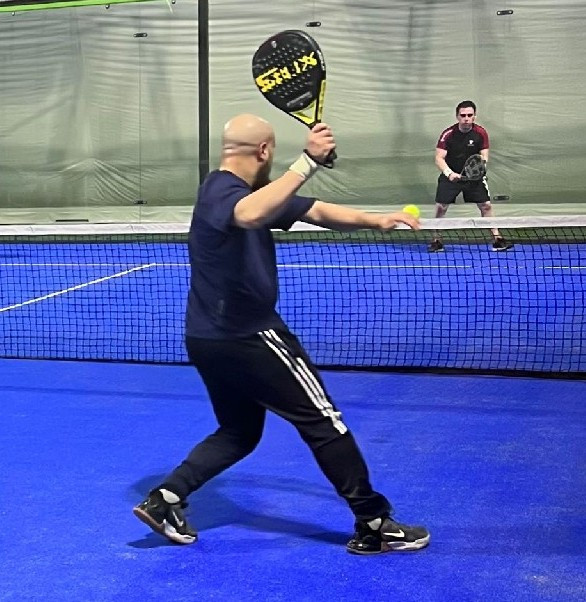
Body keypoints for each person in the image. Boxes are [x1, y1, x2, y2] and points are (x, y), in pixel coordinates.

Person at [133, 113, 430, 555]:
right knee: (324, 422)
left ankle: (166, 499)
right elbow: (250, 214)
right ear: (265, 151)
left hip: (207, 338)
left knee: (238, 432)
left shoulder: (253, 193)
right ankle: (374, 522)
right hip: (250, 337)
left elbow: (316, 210)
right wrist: (308, 160)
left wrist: (376, 220)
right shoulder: (221, 190)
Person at [429, 100, 513, 253]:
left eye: (469, 115)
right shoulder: (448, 134)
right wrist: (449, 174)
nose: (466, 118)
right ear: (457, 117)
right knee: (441, 207)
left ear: (474, 116)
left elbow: (484, 156)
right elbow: (439, 158)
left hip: (473, 178)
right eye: (463, 115)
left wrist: (478, 170)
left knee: (486, 206)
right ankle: (436, 240)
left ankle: (497, 239)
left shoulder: (481, 133)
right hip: (451, 175)